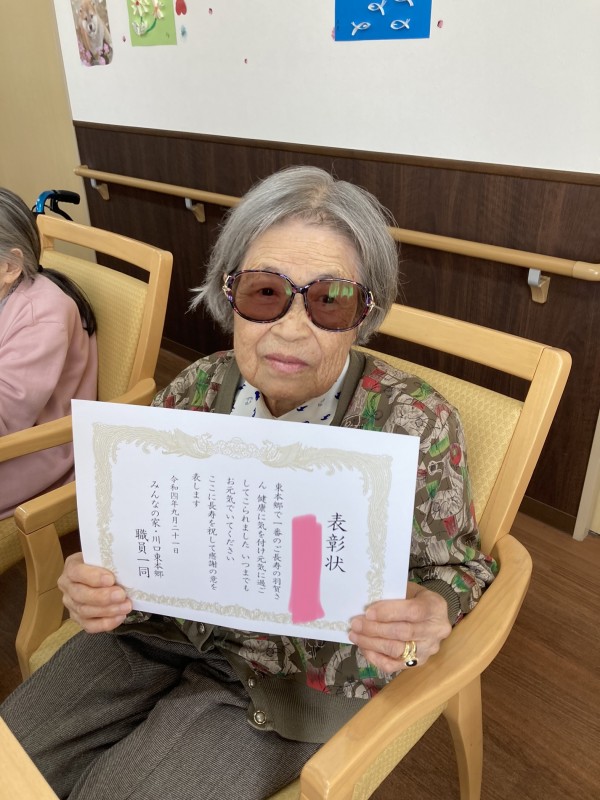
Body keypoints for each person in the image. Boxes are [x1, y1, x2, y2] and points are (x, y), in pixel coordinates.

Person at [0, 167, 496, 800]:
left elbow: (459, 568)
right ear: (228, 293)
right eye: (266, 292)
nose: (290, 329)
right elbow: (137, 531)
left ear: (364, 315)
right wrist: (93, 576)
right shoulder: (196, 388)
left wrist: (433, 610)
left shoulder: (415, 421)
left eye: (330, 300)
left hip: (287, 679)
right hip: (153, 634)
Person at [0, 188, 98, 519]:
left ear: (10, 266)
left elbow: (6, 420)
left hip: (34, 453)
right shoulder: (8, 293)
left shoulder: (41, 316)